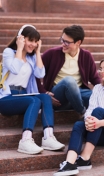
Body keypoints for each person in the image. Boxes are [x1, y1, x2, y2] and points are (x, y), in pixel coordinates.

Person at [54, 56, 104, 176]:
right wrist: (89, 120)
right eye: (100, 68)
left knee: (99, 111)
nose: (101, 71)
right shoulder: (98, 88)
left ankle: (84, 158)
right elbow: (90, 109)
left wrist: (101, 122)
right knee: (79, 124)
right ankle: (70, 163)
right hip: (100, 133)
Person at [0, 24, 65, 155]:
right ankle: (25, 140)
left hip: (23, 95)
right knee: (34, 101)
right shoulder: (9, 52)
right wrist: (19, 48)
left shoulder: (32, 57)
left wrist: (37, 52)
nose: (33, 44)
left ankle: (48, 137)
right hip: (6, 97)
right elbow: (15, 69)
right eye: (31, 40)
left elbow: (40, 74)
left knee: (45, 97)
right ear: (21, 39)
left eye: (36, 42)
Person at [36, 25, 101, 118]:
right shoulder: (51, 54)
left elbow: (94, 78)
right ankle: (82, 112)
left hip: (78, 93)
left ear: (78, 42)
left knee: (96, 95)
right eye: (62, 40)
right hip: (58, 95)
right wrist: (44, 93)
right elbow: (35, 74)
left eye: (67, 42)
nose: (63, 44)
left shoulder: (86, 56)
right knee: (69, 81)